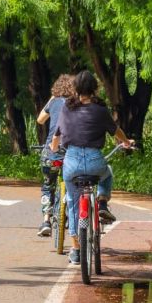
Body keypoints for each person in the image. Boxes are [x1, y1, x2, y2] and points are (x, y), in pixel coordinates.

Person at [50, 71, 133, 264]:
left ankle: (76, 250)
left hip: (71, 162)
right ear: (94, 88)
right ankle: (102, 203)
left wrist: (53, 148)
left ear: (76, 89)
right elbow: (116, 131)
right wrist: (126, 141)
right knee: (107, 173)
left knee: (72, 201)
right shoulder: (100, 109)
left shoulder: (66, 109)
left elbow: (56, 136)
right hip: (95, 161)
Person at [35, 74, 74, 237]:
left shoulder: (53, 101)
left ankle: (46, 220)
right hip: (71, 151)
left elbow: (40, 120)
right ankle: (73, 218)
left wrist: (52, 98)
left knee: (47, 185)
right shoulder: (76, 103)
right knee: (75, 184)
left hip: (52, 150)